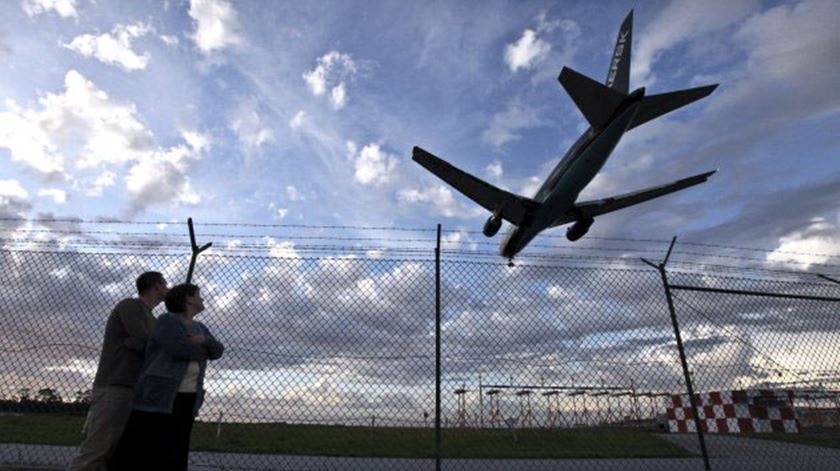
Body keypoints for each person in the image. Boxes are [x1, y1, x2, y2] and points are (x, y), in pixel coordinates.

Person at [108, 283, 224, 471]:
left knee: (176, 449)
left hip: (188, 397)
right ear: (187, 299)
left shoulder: (201, 328)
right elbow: (179, 349)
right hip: (158, 395)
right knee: (139, 448)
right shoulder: (167, 321)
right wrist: (205, 350)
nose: (202, 299)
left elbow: (218, 351)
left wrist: (205, 341)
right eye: (198, 295)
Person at [68, 271, 169, 471]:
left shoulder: (152, 318)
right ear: (156, 285)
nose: (168, 288)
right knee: (97, 448)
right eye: (165, 284)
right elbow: (144, 342)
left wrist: (138, 343)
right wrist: (142, 343)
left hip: (132, 387)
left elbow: (150, 345)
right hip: (114, 384)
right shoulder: (130, 306)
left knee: (114, 450)